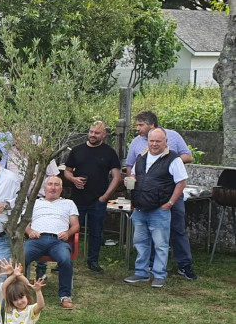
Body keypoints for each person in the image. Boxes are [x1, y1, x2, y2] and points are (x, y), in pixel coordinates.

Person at [125, 110, 197, 281]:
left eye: (141, 125)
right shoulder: (138, 147)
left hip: (167, 200)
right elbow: (131, 167)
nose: (138, 128)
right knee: (142, 239)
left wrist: (170, 202)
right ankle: (145, 269)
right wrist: (132, 182)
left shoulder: (172, 144)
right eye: (152, 141)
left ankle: (182, 266)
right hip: (143, 204)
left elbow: (184, 171)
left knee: (174, 233)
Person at [64, 121, 121, 273]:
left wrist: (105, 196)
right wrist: (73, 179)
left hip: (98, 199)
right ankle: (64, 259)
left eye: (96, 133)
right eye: (91, 132)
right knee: (71, 230)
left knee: (96, 232)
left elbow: (117, 176)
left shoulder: (109, 152)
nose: (93, 135)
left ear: (104, 134)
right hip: (77, 200)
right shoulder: (77, 150)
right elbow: (67, 171)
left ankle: (93, 261)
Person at [24, 176, 80, 310]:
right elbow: (25, 223)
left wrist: (68, 233)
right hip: (36, 239)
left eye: (56, 185)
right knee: (21, 256)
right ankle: (21, 292)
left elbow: (76, 225)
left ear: (61, 189)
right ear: (44, 188)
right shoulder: (34, 203)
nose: (53, 187)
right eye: (50, 184)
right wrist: (29, 231)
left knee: (65, 259)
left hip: (58, 241)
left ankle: (65, 296)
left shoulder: (68, 203)